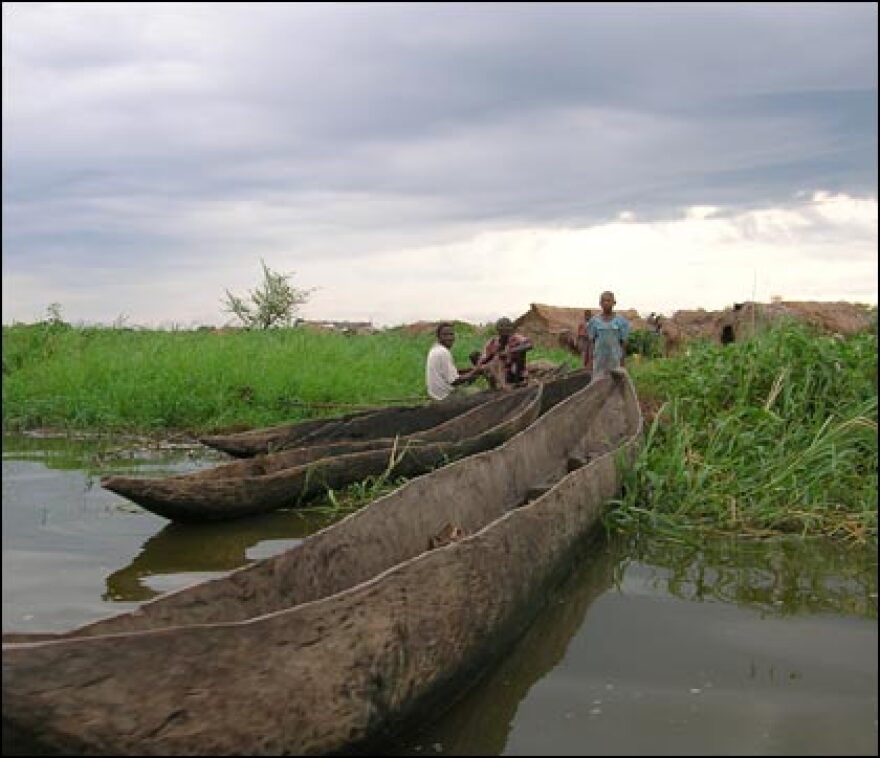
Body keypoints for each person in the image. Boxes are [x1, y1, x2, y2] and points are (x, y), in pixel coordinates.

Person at [425, 322, 482, 400]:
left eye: (451, 334)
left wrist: (469, 370)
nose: (449, 337)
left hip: (434, 393)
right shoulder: (443, 352)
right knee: (477, 392)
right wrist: (475, 372)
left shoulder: (435, 349)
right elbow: (455, 381)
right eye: (445, 335)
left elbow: (446, 373)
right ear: (438, 336)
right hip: (444, 395)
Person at [477, 317, 533, 389]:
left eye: (507, 331)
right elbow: (485, 358)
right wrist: (480, 366)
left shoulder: (515, 338)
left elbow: (529, 345)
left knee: (520, 351)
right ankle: (495, 384)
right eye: (502, 331)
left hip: (514, 371)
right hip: (500, 373)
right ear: (498, 331)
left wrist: (510, 351)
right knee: (475, 356)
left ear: (510, 330)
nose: (505, 333)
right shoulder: (493, 342)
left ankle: (518, 381)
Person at [584, 291, 630, 378]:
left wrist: (622, 363)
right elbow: (591, 343)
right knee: (598, 384)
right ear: (600, 303)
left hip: (615, 361)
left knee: (614, 385)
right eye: (603, 301)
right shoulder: (594, 322)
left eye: (608, 301)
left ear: (614, 303)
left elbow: (623, 344)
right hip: (599, 361)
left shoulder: (621, 322)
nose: (606, 303)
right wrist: (590, 362)